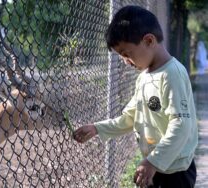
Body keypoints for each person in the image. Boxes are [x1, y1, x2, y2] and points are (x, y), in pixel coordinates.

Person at [73, 5, 198, 188]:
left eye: (127, 54)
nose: (125, 61)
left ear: (149, 40)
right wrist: (97, 128)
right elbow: (130, 118)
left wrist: (153, 162)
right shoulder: (143, 78)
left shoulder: (172, 74)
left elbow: (181, 124)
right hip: (154, 166)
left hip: (175, 170)